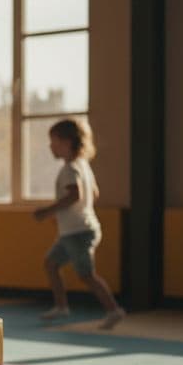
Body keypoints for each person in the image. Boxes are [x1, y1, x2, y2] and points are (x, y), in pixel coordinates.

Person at [32, 117, 125, 329]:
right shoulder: (82, 166)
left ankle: (114, 310)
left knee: (86, 275)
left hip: (78, 232)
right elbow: (94, 193)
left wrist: (48, 211)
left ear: (66, 142)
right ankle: (61, 306)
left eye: (53, 141)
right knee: (51, 263)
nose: (50, 146)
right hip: (73, 230)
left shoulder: (70, 169)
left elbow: (75, 195)